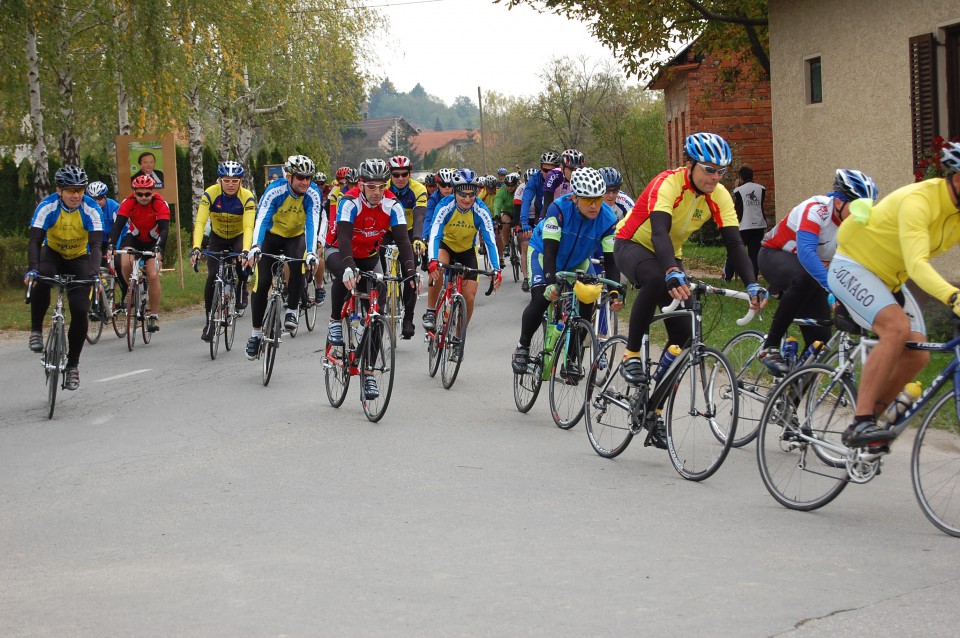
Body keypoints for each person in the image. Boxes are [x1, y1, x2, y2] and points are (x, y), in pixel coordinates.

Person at [827, 141, 960, 449]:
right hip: (854, 266)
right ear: (955, 178)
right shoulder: (921, 201)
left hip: (890, 280)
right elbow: (917, 264)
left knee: (918, 355)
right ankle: (860, 423)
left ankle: (875, 425)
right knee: (896, 329)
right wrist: (953, 297)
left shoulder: (955, 212)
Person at [614, 132, 765, 385]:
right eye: (709, 169)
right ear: (689, 165)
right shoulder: (667, 184)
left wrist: (751, 282)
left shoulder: (719, 195)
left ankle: (655, 405)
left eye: (721, 171)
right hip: (632, 243)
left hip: (669, 253)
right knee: (654, 278)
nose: (715, 177)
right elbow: (660, 231)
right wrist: (671, 270)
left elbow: (735, 244)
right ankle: (631, 355)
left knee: (685, 332)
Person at [757, 169, 878, 374]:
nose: (863, 214)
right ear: (839, 202)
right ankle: (770, 346)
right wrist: (833, 289)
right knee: (804, 278)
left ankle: (788, 402)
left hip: (811, 276)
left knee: (820, 345)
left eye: (868, 208)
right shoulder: (816, 209)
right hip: (773, 255)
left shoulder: (857, 224)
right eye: (858, 207)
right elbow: (806, 254)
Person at [511, 167, 621, 373]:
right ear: (574, 197)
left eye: (598, 198)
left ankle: (571, 358)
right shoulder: (558, 209)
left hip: (578, 261)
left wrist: (615, 291)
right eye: (588, 200)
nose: (595, 205)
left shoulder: (607, 219)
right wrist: (551, 281)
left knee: (587, 301)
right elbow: (551, 251)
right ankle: (522, 347)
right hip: (544, 253)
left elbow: (611, 260)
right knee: (542, 299)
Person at [325, 158, 417, 399]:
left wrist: (410, 271)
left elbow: (403, 241)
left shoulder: (392, 204)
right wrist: (347, 266)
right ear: (362, 184)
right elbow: (343, 238)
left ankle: (368, 374)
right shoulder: (349, 201)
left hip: (369, 255)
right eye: (372, 187)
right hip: (339, 251)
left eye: (381, 186)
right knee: (345, 279)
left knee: (378, 311)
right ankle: (335, 320)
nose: (377, 192)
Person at [24, 166, 104, 390]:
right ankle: (36, 331)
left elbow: (97, 245)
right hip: (52, 254)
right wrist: (32, 269)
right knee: (43, 277)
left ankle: (72, 366)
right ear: (59, 190)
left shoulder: (90, 209)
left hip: (79, 257)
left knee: (80, 309)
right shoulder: (47, 206)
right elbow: (34, 241)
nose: (76, 195)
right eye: (71, 190)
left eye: (80, 190)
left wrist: (95, 274)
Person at [243, 155, 323, 359]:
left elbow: (313, 223)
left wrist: (312, 252)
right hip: (271, 236)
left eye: (308, 178)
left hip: (295, 237)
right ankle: (255, 334)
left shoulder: (313, 193)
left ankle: (293, 310)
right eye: (300, 178)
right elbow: (261, 219)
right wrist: (255, 246)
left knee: (298, 264)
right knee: (261, 284)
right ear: (289, 176)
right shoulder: (275, 190)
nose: (305, 182)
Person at [423, 168, 502, 334]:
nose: (467, 199)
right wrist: (432, 260)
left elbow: (490, 241)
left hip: (467, 251)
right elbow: (435, 233)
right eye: (462, 195)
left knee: (470, 297)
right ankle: (431, 311)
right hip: (446, 246)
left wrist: (496, 269)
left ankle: (459, 335)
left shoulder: (480, 210)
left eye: (471, 194)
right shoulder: (445, 205)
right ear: (455, 191)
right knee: (438, 266)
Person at [190, 161, 257, 341]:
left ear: (241, 181)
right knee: (212, 276)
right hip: (217, 237)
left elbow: (249, 227)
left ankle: (242, 286)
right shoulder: (210, 194)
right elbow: (201, 223)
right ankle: (209, 321)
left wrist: (245, 251)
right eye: (226, 180)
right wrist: (196, 247)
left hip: (239, 235)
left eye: (234, 181)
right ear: (220, 180)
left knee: (240, 265)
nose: (230, 184)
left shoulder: (247, 197)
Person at [106, 174, 170, 333]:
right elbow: (118, 226)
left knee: (153, 274)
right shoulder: (128, 203)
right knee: (125, 262)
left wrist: (159, 248)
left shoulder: (160, 204)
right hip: (133, 237)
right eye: (139, 194)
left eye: (147, 194)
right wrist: (112, 244)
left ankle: (154, 314)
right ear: (134, 192)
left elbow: (164, 229)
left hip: (154, 240)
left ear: (153, 192)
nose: (143, 197)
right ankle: (132, 289)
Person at [386, 155, 428, 339]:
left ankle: (408, 319)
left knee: (409, 274)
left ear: (410, 174)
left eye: (405, 174)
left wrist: (418, 238)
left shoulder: (419, 189)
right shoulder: (383, 189)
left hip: (410, 231)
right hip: (386, 229)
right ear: (390, 174)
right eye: (396, 174)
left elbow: (419, 216)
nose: (401, 178)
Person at [519, 151, 561, 292]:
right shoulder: (534, 179)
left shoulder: (563, 178)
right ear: (540, 168)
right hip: (541, 213)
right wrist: (524, 223)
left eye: (551, 170)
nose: (548, 173)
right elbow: (526, 200)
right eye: (544, 170)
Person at [722, 164, 767, 281]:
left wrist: (736, 187)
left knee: (735, 251)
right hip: (759, 224)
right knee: (754, 254)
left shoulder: (738, 191)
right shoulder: (761, 188)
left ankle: (727, 277)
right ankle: (753, 278)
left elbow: (734, 206)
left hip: (743, 225)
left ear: (740, 178)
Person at [494, 172, 521, 260]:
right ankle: (506, 246)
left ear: (516, 184)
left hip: (518, 211)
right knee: (506, 223)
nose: (510, 187)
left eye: (512, 185)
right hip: (506, 211)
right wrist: (497, 216)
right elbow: (497, 203)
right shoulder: (502, 191)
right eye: (508, 185)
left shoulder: (520, 190)